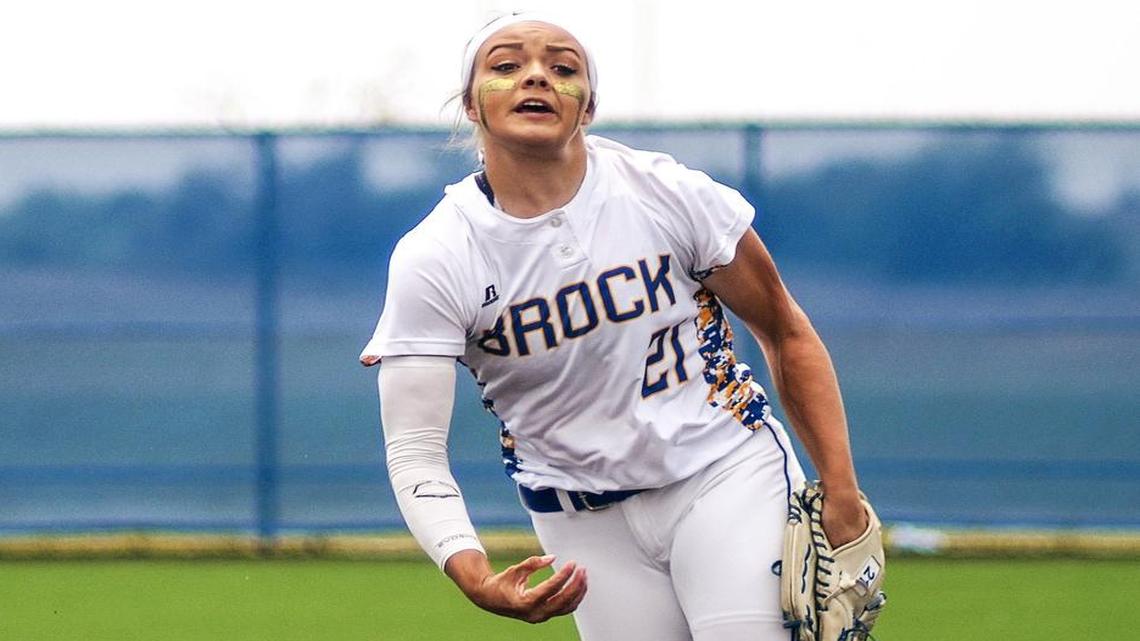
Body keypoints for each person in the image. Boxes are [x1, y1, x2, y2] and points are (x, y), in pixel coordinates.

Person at [360, 12, 870, 641]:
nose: (537, 77)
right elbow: (415, 449)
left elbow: (785, 331)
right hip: (579, 520)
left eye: (563, 68)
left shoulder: (666, 193)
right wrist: (470, 570)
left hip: (722, 471)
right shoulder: (438, 254)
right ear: (471, 103)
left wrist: (841, 491)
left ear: (589, 105)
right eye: (506, 65)